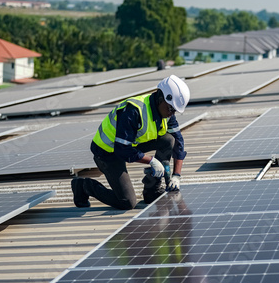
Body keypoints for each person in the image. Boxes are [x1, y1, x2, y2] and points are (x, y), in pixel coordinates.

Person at [71, 75, 190, 209]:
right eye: (171, 109)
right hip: (107, 152)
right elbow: (122, 150)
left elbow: (178, 142)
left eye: (175, 111)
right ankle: (83, 186)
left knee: (168, 140)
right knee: (127, 202)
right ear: (161, 98)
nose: (172, 113)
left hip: (129, 144)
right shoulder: (133, 111)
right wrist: (152, 161)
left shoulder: (167, 114)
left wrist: (176, 176)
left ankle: (152, 190)